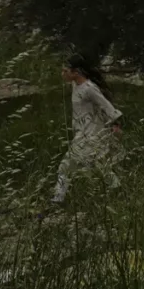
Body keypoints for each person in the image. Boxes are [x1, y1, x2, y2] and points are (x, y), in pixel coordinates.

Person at [53, 58, 124, 204]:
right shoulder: (75, 85)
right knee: (100, 164)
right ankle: (117, 188)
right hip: (82, 131)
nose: (62, 74)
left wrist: (115, 123)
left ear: (76, 72)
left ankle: (57, 200)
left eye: (65, 71)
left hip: (89, 134)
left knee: (65, 166)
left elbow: (105, 105)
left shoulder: (89, 88)